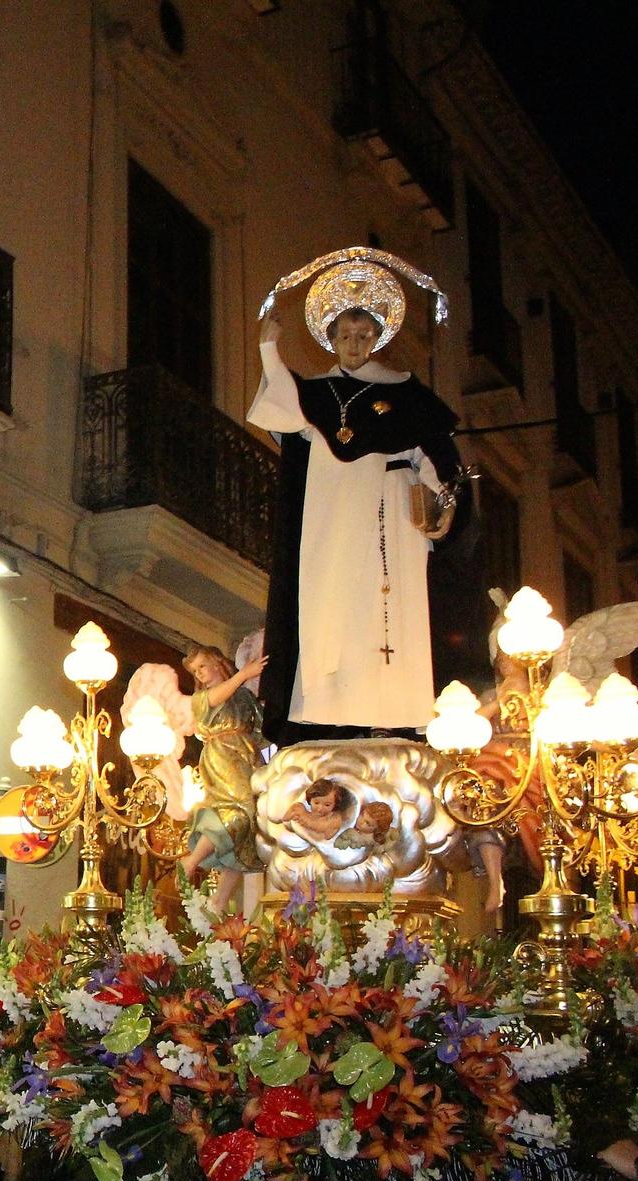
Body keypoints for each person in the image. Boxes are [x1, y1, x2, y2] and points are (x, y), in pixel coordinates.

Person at [247, 267, 468, 744]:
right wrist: (269, 348)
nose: (354, 342)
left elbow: (437, 459)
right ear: (331, 338)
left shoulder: (409, 396)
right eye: (345, 334)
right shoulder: (316, 394)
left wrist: (445, 504)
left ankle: (392, 709)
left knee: (387, 608)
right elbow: (280, 403)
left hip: (389, 511)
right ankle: (328, 710)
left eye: (364, 333)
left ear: (377, 338)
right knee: (328, 607)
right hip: (328, 517)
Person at [175, 645, 269, 914]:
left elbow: (263, 728)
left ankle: (219, 902)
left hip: (246, 756)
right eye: (195, 671)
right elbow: (218, 697)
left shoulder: (243, 696)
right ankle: (191, 861)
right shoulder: (202, 698)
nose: (199, 673)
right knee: (236, 812)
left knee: (249, 826)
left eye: (202, 666)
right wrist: (244, 673)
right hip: (222, 755)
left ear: (217, 663)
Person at [286, 779, 353, 843]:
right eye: (316, 803)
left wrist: (303, 817)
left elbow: (319, 827)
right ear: (310, 800)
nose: (320, 808)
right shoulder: (307, 810)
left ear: (335, 804)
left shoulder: (335, 818)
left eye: (327, 805)